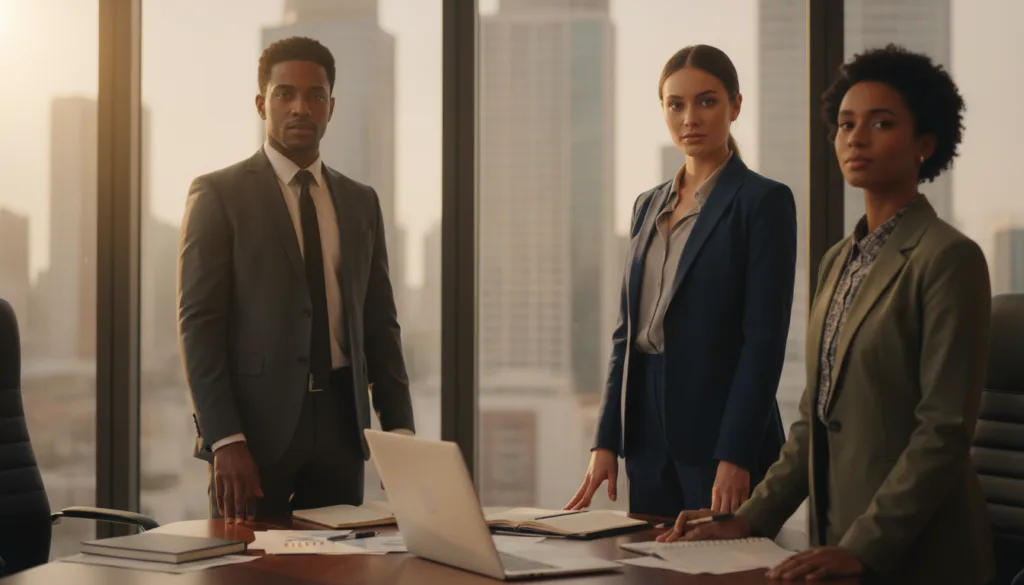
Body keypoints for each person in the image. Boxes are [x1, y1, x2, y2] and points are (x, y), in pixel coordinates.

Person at [659, 44, 995, 584]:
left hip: (917, 555)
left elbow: (943, 433)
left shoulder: (948, 258)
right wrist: (747, 518)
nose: (856, 138)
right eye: (845, 124)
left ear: (924, 145)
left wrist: (862, 547)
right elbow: (812, 421)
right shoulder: (839, 259)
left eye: (881, 124)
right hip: (832, 548)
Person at [178, 36, 415, 524]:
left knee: (339, 571)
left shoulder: (360, 201)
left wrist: (401, 436)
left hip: (341, 434)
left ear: (331, 106)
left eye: (314, 96)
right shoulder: (219, 195)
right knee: (242, 572)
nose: (300, 107)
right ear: (262, 103)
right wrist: (225, 439)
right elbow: (199, 326)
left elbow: (379, 326)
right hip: (253, 436)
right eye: (285, 94)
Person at [566, 45, 797, 517]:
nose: (690, 117)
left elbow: (764, 342)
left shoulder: (763, 202)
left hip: (720, 426)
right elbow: (624, 335)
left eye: (707, 101)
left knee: (721, 567)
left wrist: (736, 453)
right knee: (648, 563)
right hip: (647, 431)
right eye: (676, 104)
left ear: (735, 106)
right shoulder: (646, 206)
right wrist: (606, 440)